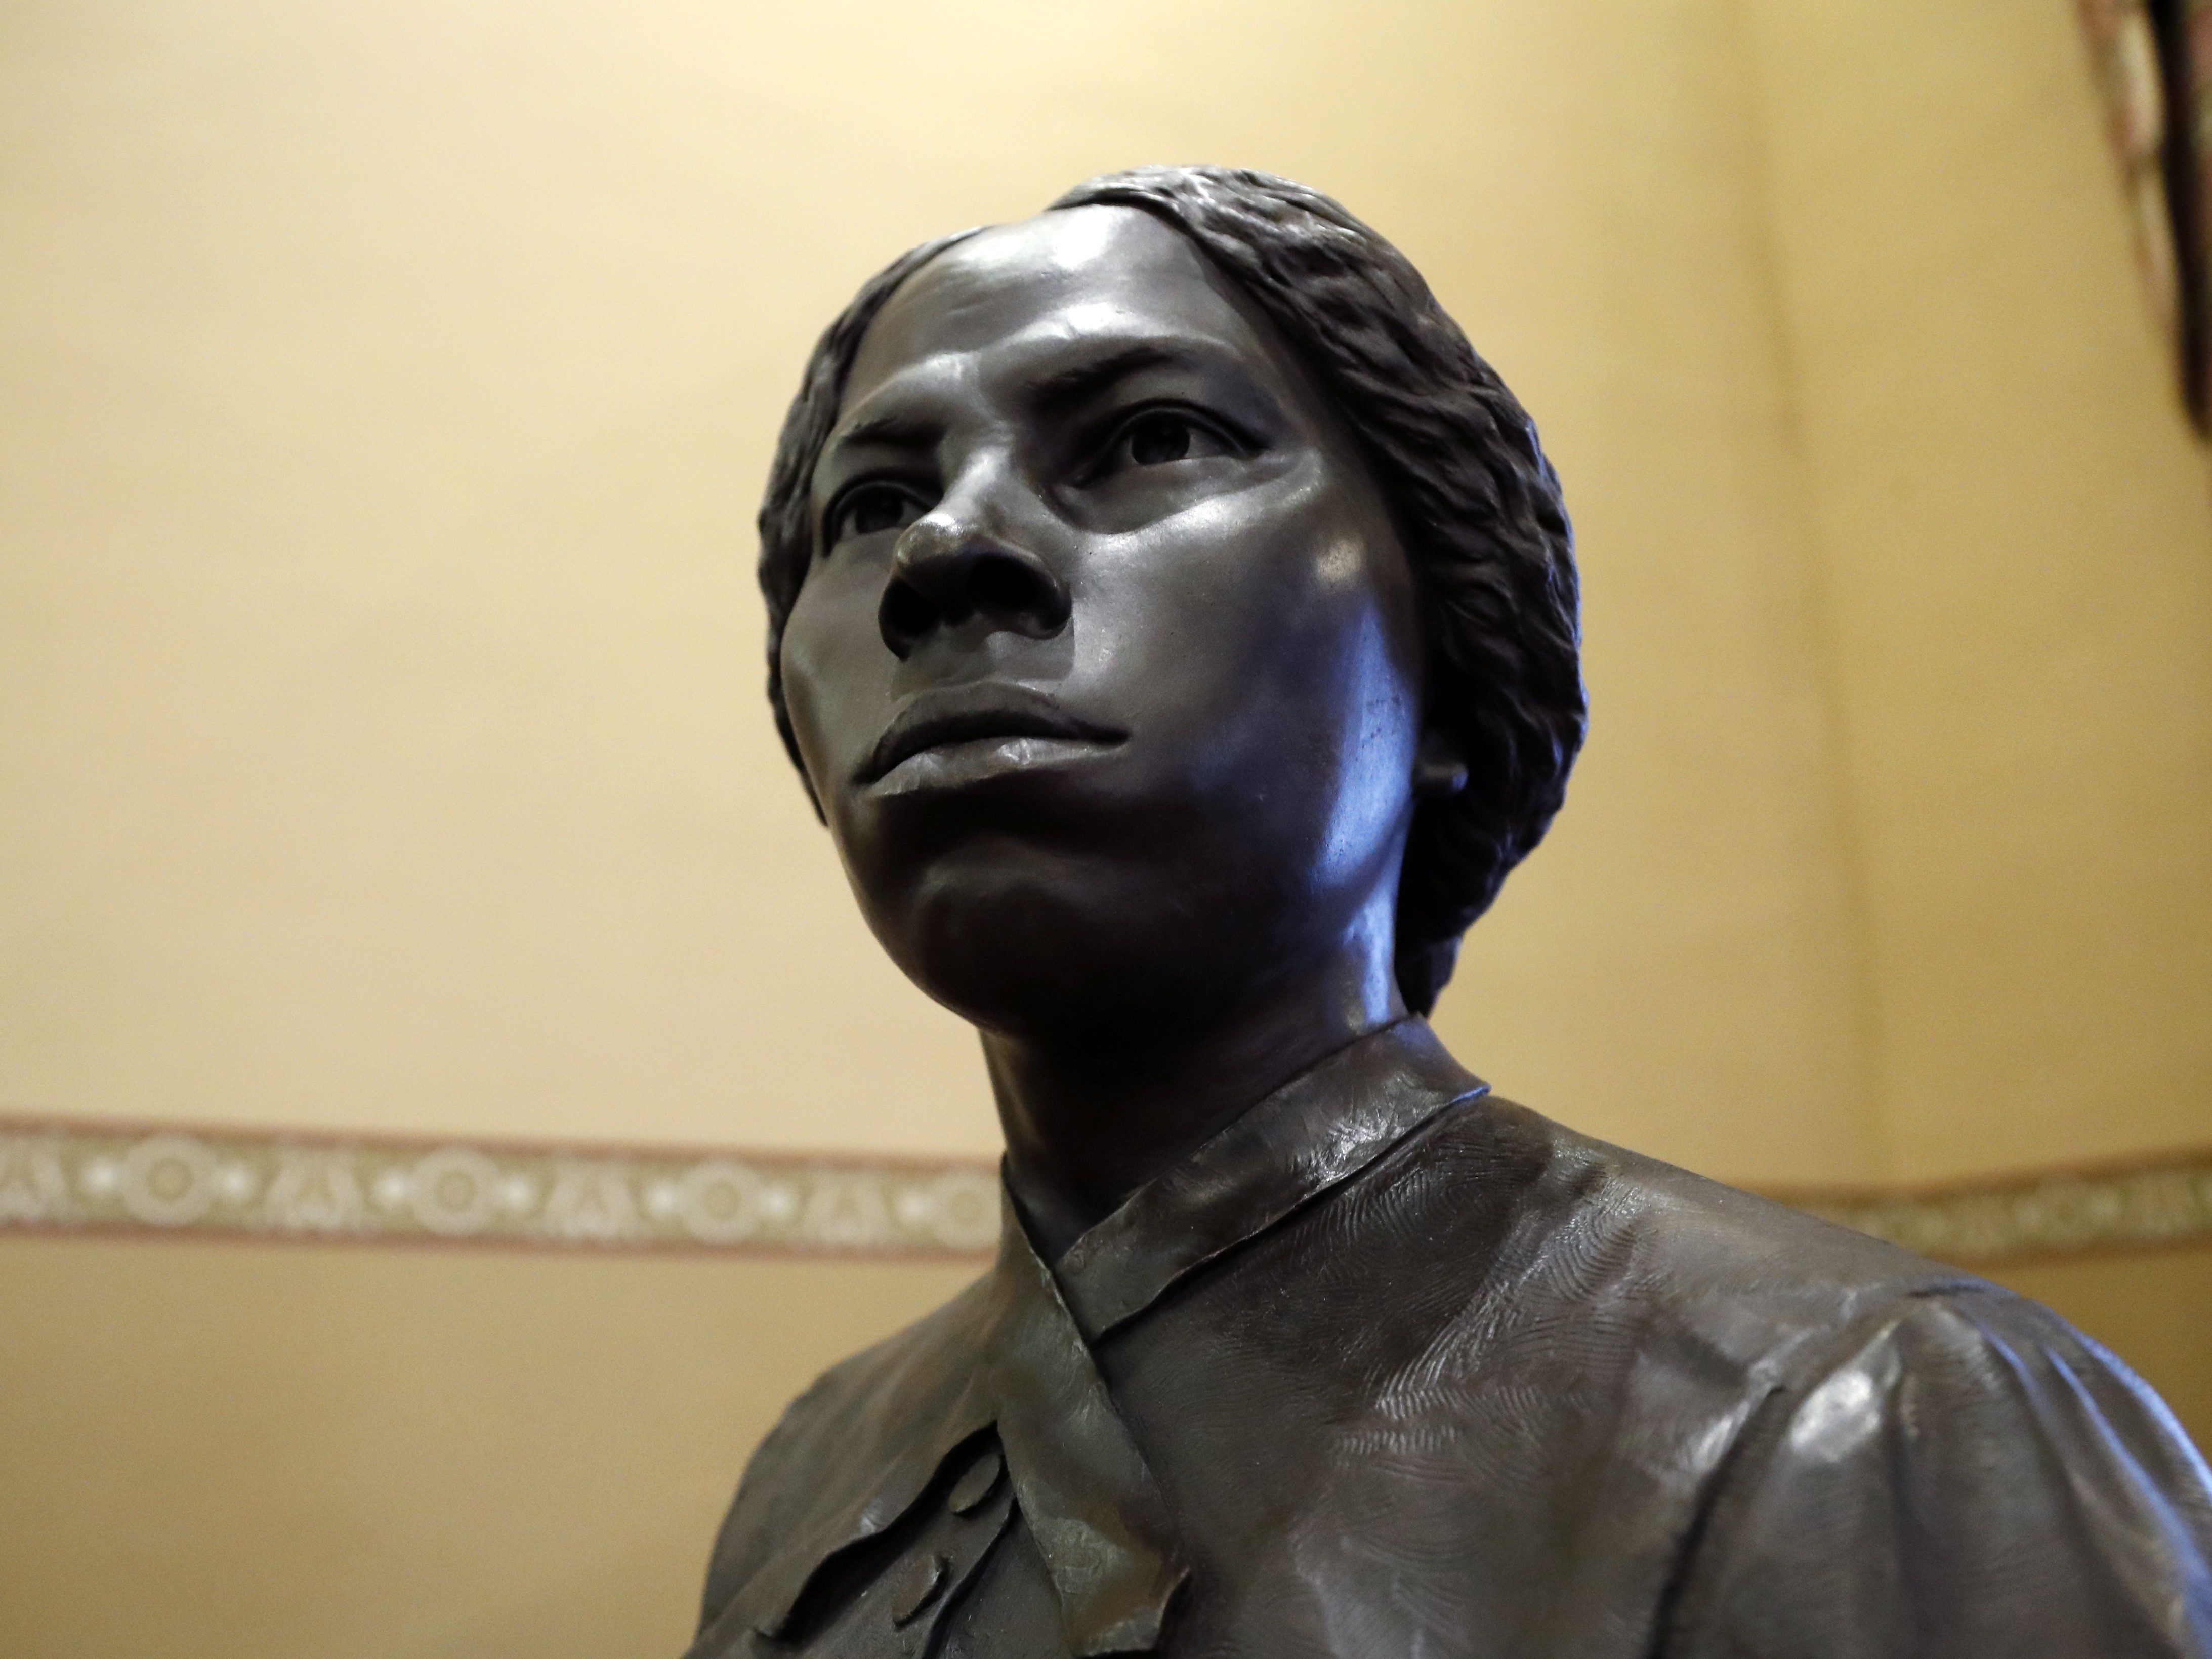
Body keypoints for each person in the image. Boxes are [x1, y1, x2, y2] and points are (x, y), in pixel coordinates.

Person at [687, 166, 2212, 1658]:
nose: (946, 553)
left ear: (1451, 670)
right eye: (874, 503)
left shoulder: (1878, 1425)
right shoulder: (815, 1476)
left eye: (1152, 438)